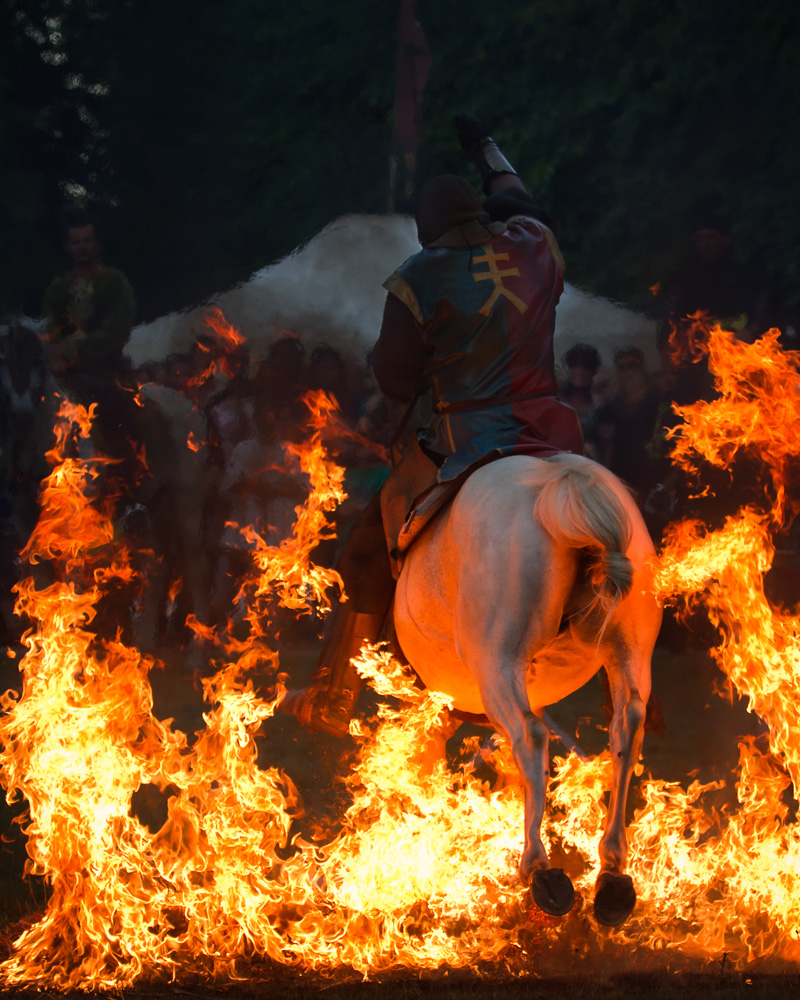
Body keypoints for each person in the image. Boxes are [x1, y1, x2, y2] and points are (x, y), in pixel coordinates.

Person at [279, 114, 583, 737]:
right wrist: (483, 147)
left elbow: (394, 379)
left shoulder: (419, 277)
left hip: (462, 443)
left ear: (426, 231)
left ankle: (338, 693)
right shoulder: (533, 241)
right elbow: (517, 194)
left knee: (364, 549)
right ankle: (630, 681)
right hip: (552, 437)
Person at [42, 207, 139, 480]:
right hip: (63, 373)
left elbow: (117, 328)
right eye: (76, 242)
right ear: (68, 247)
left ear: (96, 243)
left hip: (106, 371)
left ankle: (127, 476)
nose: (82, 247)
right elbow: (50, 327)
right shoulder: (58, 288)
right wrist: (55, 353)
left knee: (122, 413)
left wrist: (75, 352)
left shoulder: (114, 281)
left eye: (87, 240)